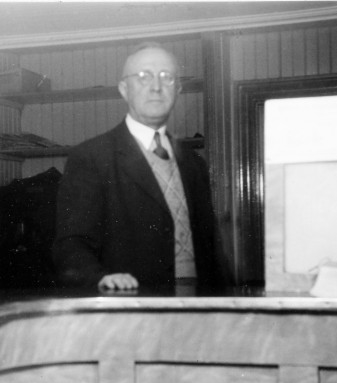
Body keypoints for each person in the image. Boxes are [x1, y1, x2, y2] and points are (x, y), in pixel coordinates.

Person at [53, 42, 229, 291]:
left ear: (178, 90)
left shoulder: (194, 163)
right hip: (130, 304)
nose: (156, 87)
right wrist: (99, 279)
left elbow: (211, 251)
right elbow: (71, 245)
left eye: (166, 77)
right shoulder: (91, 157)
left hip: (196, 306)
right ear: (124, 89)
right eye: (144, 76)